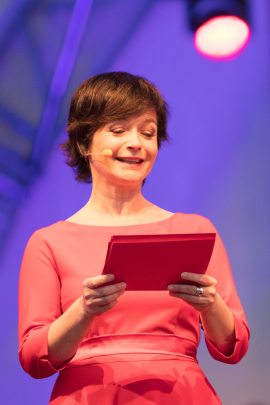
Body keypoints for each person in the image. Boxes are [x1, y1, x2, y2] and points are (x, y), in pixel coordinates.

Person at [18, 72, 250, 405]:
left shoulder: (195, 230)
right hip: (89, 395)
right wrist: (83, 310)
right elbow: (33, 357)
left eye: (148, 132)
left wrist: (211, 304)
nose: (136, 143)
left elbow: (235, 345)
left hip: (182, 393)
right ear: (84, 143)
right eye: (118, 130)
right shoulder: (49, 242)